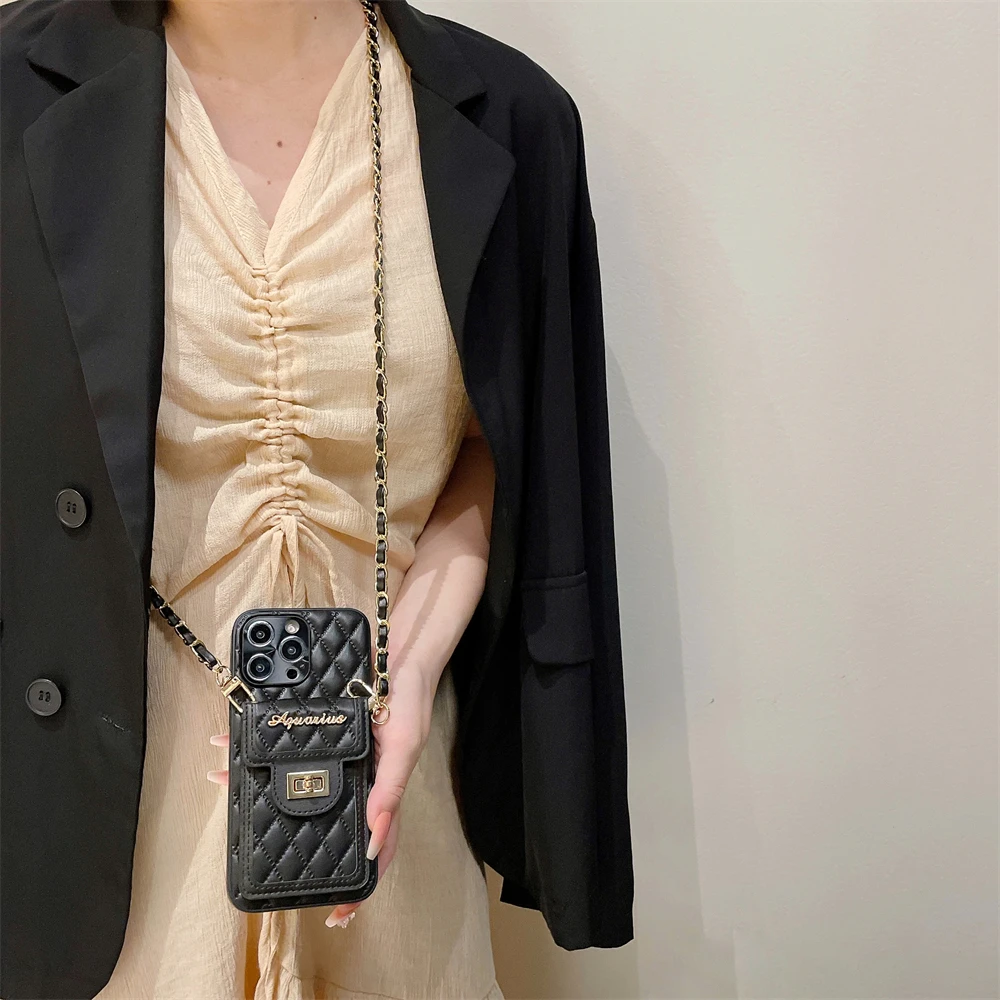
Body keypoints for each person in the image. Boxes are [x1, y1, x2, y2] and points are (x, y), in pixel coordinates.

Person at [0, 1, 634, 998]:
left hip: (390, 807)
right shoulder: (14, 90)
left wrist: (411, 665)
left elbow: (501, 447)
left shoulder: (510, 119)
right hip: (100, 842)